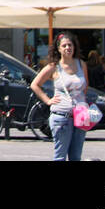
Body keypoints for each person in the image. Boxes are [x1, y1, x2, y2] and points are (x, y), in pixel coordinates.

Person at [31, 31, 89, 161]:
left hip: (80, 115)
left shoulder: (81, 64)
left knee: (76, 157)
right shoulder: (54, 67)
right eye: (64, 46)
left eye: (70, 45)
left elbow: (85, 86)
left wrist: (80, 103)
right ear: (59, 49)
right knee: (60, 157)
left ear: (74, 47)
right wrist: (48, 100)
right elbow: (35, 84)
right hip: (61, 116)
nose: (68, 48)